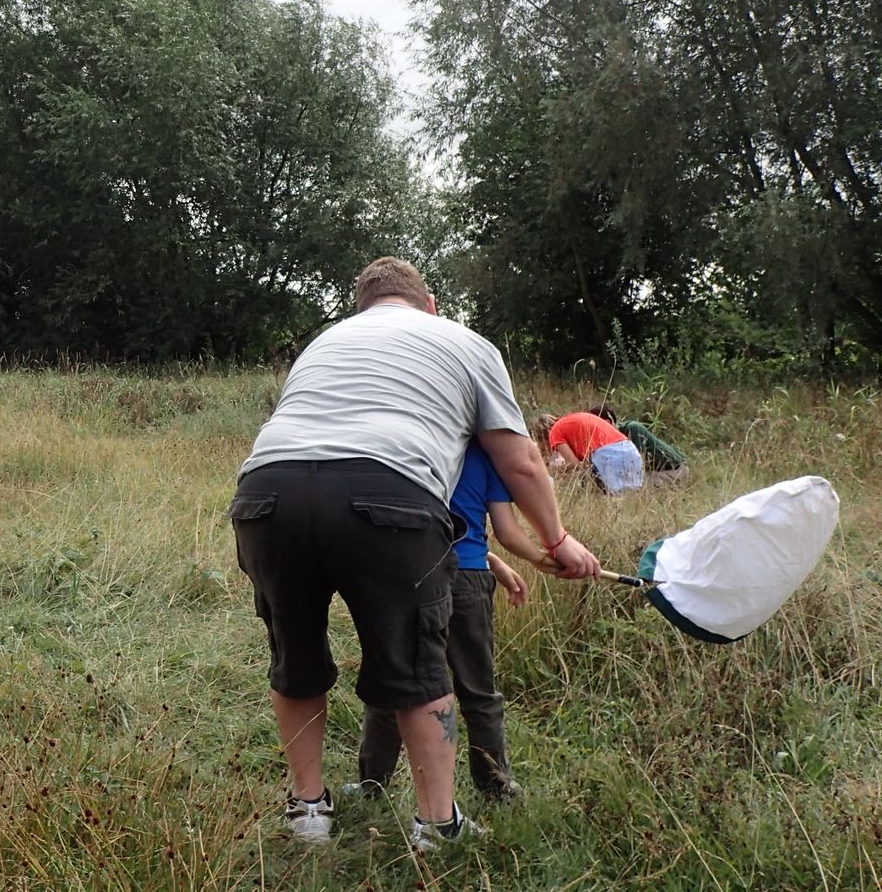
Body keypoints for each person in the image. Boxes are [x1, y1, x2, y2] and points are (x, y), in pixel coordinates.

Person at [231, 256, 599, 851]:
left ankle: (308, 809)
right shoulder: (463, 341)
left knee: (296, 656)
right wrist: (556, 540)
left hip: (268, 493)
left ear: (364, 308)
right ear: (429, 305)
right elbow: (521, 460)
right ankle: (436, 824)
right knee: (419, 671)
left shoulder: (328, 341)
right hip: (389, 496)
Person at [356, 441, 554, 804]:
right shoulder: (485, 455)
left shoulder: (411, 446)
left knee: (391, 681)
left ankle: (373, 785)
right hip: (469, 579)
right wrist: (545, 558)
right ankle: (496, 788)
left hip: (411, 574)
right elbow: (507, 533)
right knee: (479, 690)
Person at [539, 411, 644, 494]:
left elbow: (574, 464)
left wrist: (549, 470)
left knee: (603, 499)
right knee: (630, 500)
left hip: (610, 457)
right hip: (630, 451)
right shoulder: (571, 420)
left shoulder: (554, 432)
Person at [588, 404, 689, 486]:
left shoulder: (632, 430)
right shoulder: (607, 442)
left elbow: (639, 471)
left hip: (676, 470)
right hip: (655, 472)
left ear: (607, 423)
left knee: (640, 485)